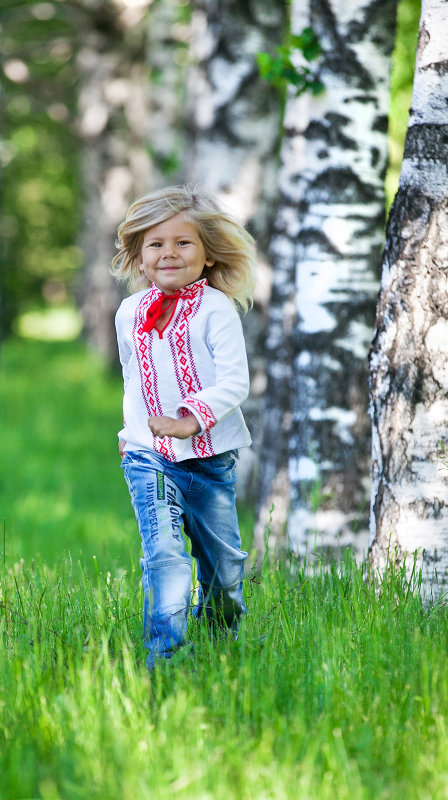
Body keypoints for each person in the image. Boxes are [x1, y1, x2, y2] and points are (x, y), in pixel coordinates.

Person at [112, 185, 256, 669]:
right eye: (156, 244)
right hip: (148, 456)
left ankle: (221, 646)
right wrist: (129, 431)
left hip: (211, 459)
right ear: (138, 256)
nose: (169, 253)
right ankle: (165, 658)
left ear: (208, 252)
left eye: (183, 243)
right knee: (166, 555)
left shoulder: (216, 309)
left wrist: (190, 418)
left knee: (224, 570)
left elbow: (236, 381)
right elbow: (134, 380)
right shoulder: (130, 312)